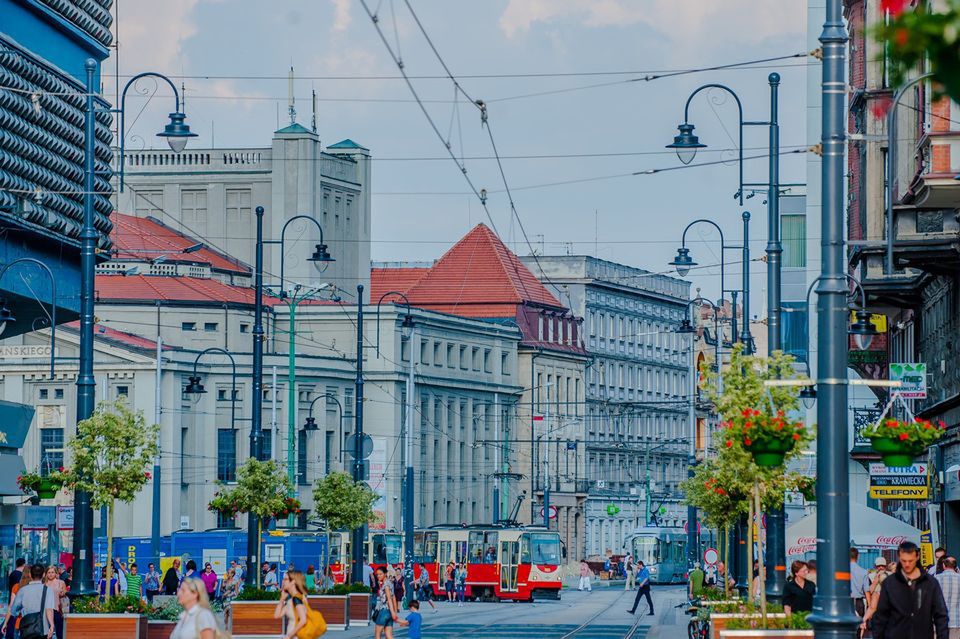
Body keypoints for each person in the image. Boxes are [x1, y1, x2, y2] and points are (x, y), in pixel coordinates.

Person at [873, 540, 948, 639]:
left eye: (910, 561)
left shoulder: (930, 583)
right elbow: (881, 616)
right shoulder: (890, 583)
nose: (907, 564)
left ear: (917, 557)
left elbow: (940, 615)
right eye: (904, 561)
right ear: (899, 558)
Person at [1, 564, 56, 639]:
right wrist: (52, 625)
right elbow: (49, 610)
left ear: (30, 575)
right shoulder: (48, 590)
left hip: (27, 629)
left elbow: (13, 610)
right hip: (43, 630)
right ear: (43, 575)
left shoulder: (22, 590)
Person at [272, 570, 309, 639]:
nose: (283, 582)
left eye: (286, 579)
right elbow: (277, 615)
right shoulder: (291, 599)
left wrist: (289, 636)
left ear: (293, 582)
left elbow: (303, 620)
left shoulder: (297, 599)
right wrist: (282, 599)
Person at [936, 556, 960, 639]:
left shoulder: (935, 579)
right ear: (955, 566)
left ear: (943, 565)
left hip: (938, 621)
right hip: (956, 621)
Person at [372, 567, 400, 639]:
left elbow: (389, 599)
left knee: (377, 634)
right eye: (377, 574)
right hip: (389, 612)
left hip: (384, 611)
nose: (378, 576)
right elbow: (394, 598)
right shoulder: (390, 582)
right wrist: (394, 611)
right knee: (388, 635)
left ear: (385, 574)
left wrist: (393, 613)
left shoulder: (386, 585)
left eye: (380, 574)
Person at [43, 565, 66, 639]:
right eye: (49, 572)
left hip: (58, 609)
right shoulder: (44, 584)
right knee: (47, 632)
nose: (50, 574)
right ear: (46, 574)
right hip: (47, 610)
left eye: (52, 572)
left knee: (59, 632)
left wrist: (62, 593)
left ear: (56, 573)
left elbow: (65, 595)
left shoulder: (61, 582)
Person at [849, 548, 870, 617]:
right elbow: (867, 591)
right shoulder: (863, 572)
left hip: (845, 603)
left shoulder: (842, 571)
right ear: (858, 556)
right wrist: (870, 607)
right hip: (858, 603)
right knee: (859, 626)